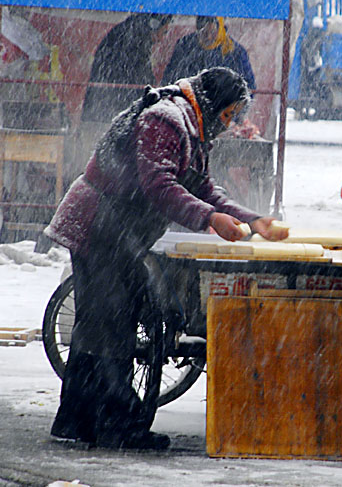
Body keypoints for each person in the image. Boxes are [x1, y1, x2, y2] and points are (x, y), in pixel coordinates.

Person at [44, 67, 287, 450]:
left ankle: (76, 420)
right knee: (112, 326)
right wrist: (208, 218)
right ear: (209, 103)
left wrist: (251, 220)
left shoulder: (192, 127)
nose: (229, 124)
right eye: (228, 114)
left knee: (100, 324)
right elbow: (159, 185)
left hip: (119, 230)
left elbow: (204, 188)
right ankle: (116, 425)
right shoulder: (165, 119)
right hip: (100, 223)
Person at [77, 13, 173, 179]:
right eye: (164, 33)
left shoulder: (127, 32)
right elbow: (143, 82)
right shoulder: (135, 40)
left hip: (99, 112)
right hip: (108, 115)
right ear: (154, 25)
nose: (162, 39)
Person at [162, 16, 256, 90]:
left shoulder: (235, 51)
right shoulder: (185, 46)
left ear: (221, 29)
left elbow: (248, 88)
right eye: (204, 33)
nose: (209, 37)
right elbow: (169, 78)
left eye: (213, 33)